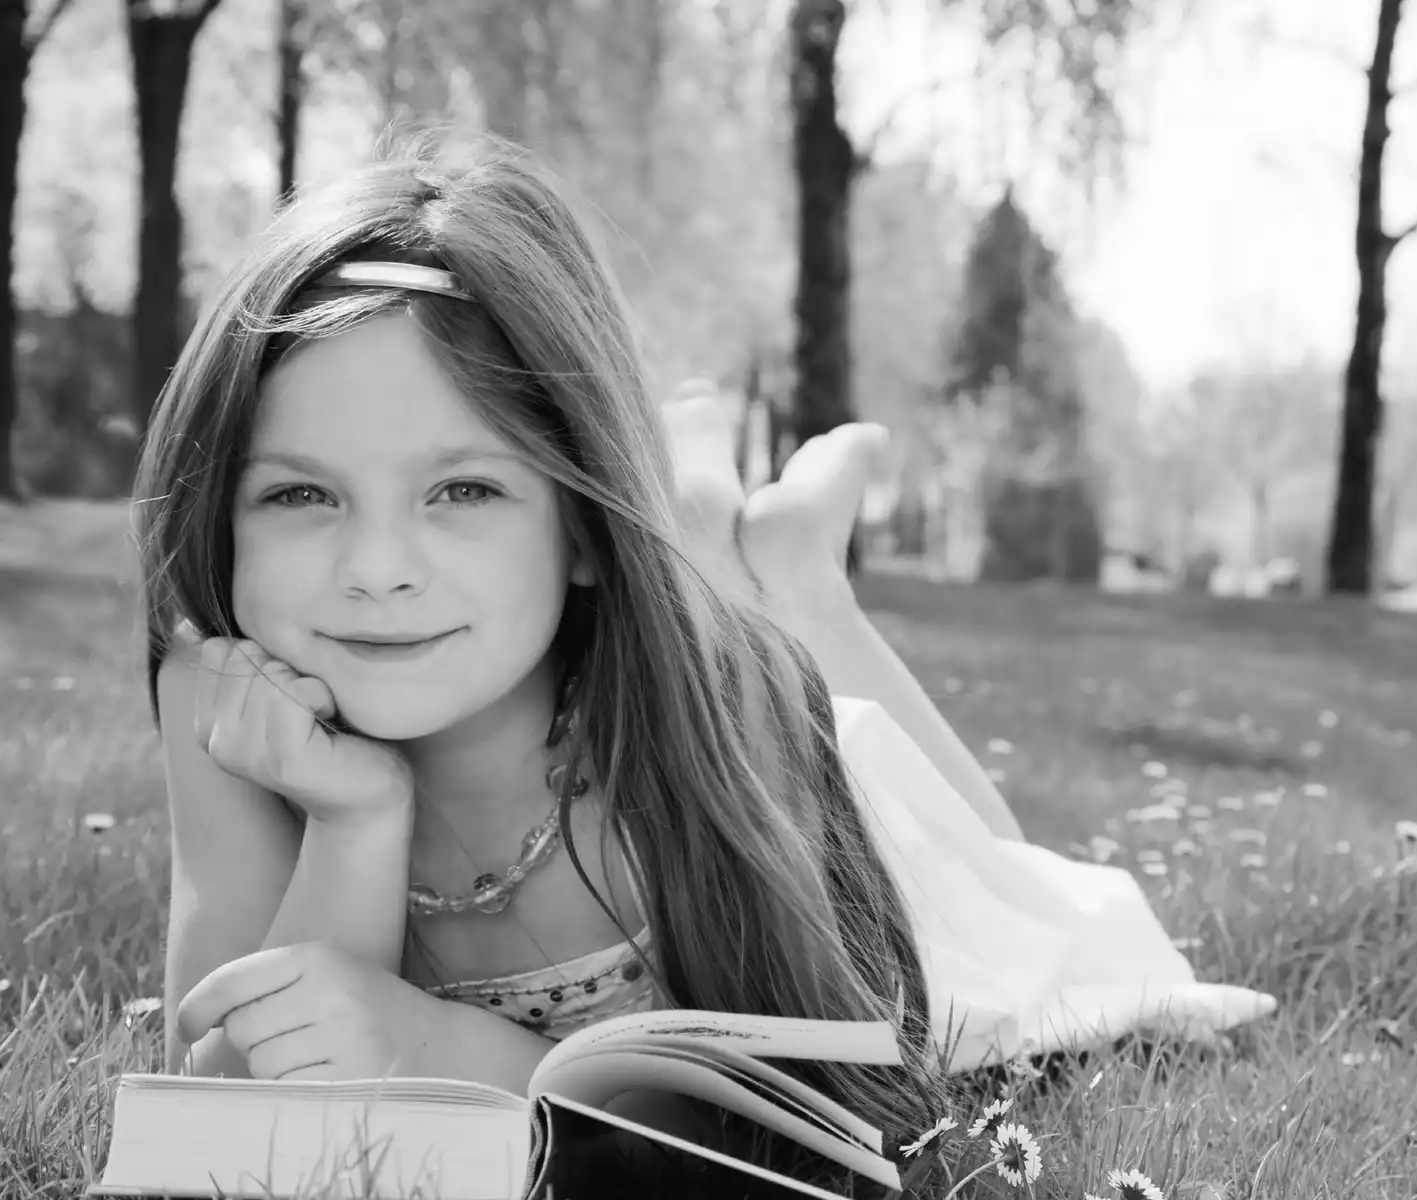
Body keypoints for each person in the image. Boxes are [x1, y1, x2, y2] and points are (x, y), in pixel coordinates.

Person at [135, 129, 1275, 1156]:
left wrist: (449, 1051)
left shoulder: (710, 721)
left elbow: (834, 1114)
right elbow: (218, 1105)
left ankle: (798, 580)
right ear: (218, 507)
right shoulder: (229, 708)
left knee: (1027, 905)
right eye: (299, 498)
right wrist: (354, 818)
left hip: (831, 810)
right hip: (706, 658)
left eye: (464, 490)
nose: (375, 567)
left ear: (581, 525)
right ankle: (732, 545)